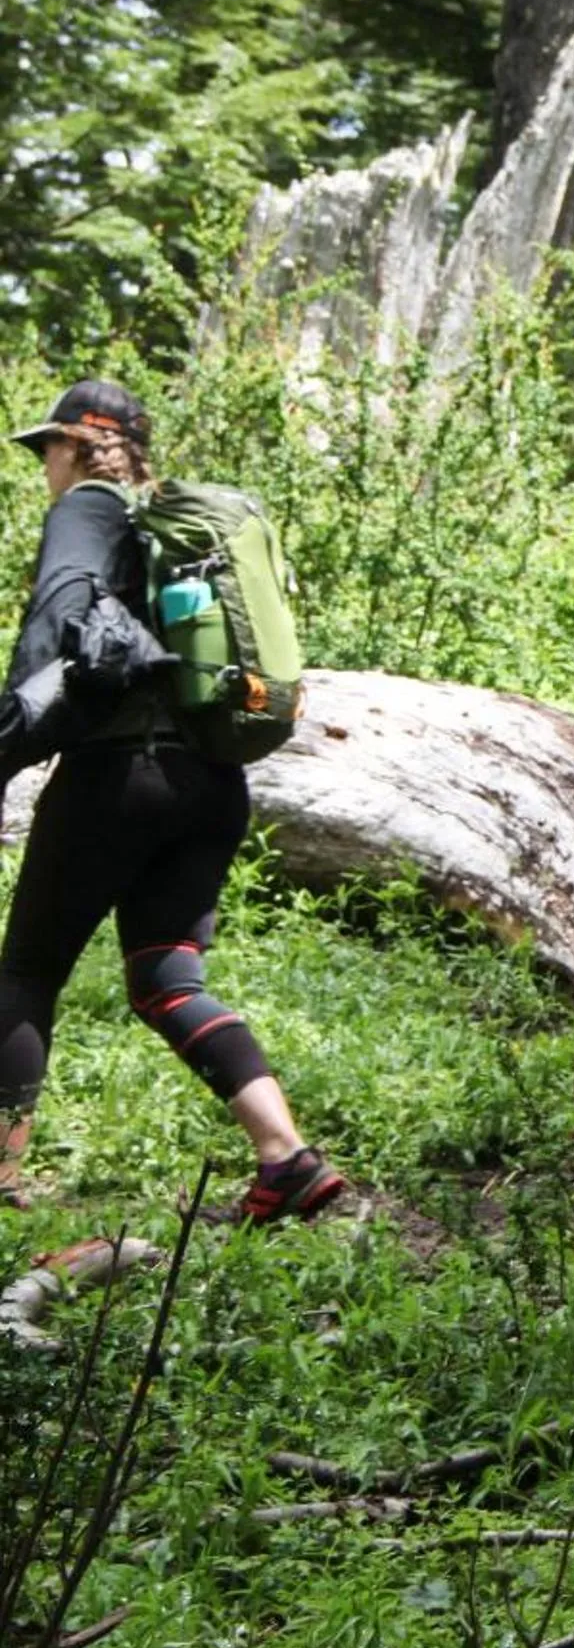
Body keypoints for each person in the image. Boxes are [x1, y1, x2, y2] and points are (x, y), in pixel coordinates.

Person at [0, 380, 343, 1223]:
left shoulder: (88, 507)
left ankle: (0, 1179)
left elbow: (58, 622)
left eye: (47, 446)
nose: (42, 464)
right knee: (165, 976)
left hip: (118, 780)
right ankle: (287, 1159)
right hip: (210, 782)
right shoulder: (177, 527)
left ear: (81, 446)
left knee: (26, 971)